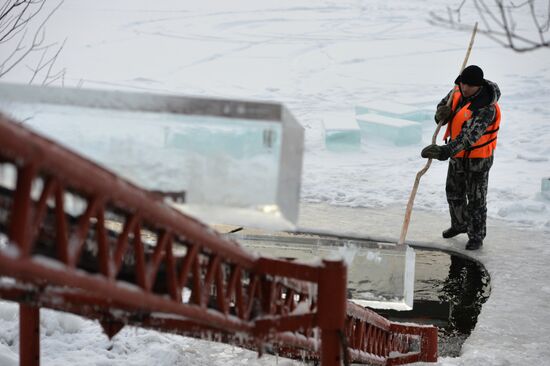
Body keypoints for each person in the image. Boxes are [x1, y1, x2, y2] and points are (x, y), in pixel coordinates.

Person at [420, 65, 501, 250]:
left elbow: (468, 137)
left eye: (469, 86)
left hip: (478, 159)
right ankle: (459, 224)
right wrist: (441, 112)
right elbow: (443, 104)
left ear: (478, 86)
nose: (464, 88)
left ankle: (476, 236)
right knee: (453, 192)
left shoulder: (487, 108)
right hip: (457, 157)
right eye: (463, 83)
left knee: (476, 200)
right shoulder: (457, 90)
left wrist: (444, 151)